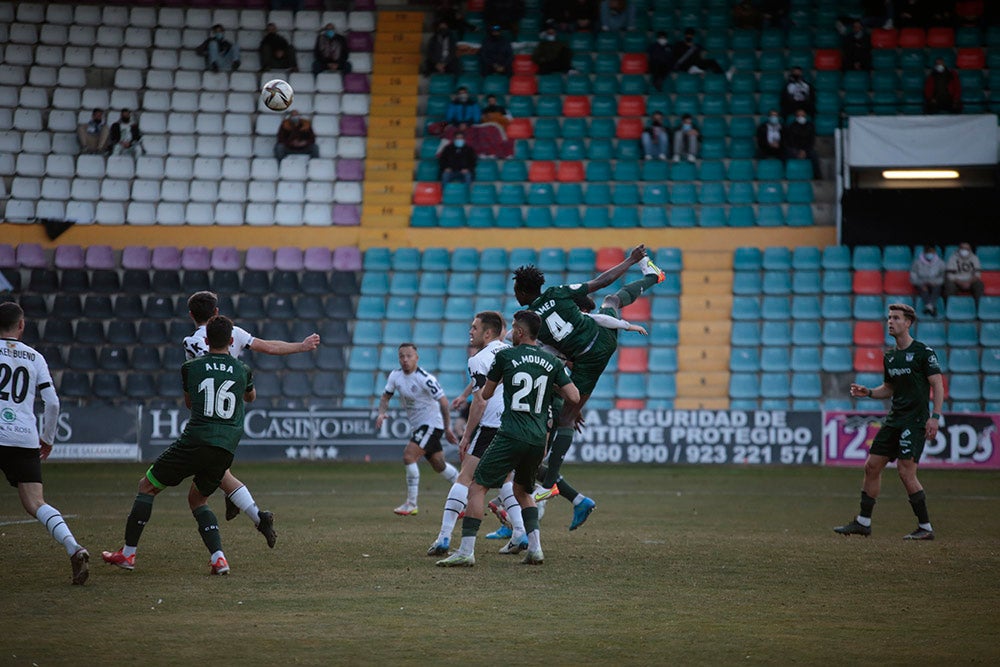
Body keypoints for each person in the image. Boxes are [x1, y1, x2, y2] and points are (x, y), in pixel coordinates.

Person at [103, 316, 254, 574]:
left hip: (195, 440)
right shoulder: (243, 370)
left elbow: (189, 403)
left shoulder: (191, 367)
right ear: (231, 340)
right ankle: (219, 558)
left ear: (206, 341)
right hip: (225, 446)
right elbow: (249, 396)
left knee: (147, 486)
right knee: (198, 499)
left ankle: (128, 555)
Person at [513, 245, 665, 496]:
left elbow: (550, 356)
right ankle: (652, 276)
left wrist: (572, 398)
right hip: (604, 338)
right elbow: (601, 281)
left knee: (566, 418)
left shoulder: (527, 323)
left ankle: (549, 483)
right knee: (611, 300)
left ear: (520, 292)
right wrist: (630, 260)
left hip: (586, 361)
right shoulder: (556, 293)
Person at [436, 310, 580, 567]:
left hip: (511, 432)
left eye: (514, 327)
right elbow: (574, 397)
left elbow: (487, 394)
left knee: (477, 486)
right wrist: (549, 383)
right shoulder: (551, 362)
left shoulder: (506, 356)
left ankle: (466, 550)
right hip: (538, 437)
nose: (511, 331)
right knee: (523, 491)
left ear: (521, 333)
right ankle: (535, 549)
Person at [183, 291, 321, 547]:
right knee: (218, 470)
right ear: (216, 312)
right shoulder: (232, 332)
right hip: (232, 411)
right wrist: (301, 347)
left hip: (205, 415)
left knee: (204, 474)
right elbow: (269, 347)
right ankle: (255, 514)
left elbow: (193, 383)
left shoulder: (192, 342)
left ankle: (249, 519)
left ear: (191, 315)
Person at [836, 303, 943, 541]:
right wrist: (869, 392)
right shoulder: (891, 356)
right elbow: (889, 388)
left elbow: (937, 384)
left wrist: (934, 417)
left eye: (895, 318)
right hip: (895, 419)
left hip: (914, 421)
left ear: (908, 323)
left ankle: (925, 527)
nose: (890, 322)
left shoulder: (924, 352)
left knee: (906, 472)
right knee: (871, 466)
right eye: (889, 318)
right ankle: (863, 522)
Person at [0, 302, 89, 585]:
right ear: (21, 325)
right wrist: (47, 439)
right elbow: (51, 402)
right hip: (24, 438)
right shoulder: (35, 357)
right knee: (36, 502)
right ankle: (73, 546)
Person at [428, 312, 531, 557]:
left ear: (488, 333)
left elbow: (481, 401)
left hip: (492, 426)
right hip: (517, 425)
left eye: (474, 328)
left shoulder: (478, 358)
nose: (470, 331)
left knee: (465, 479)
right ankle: (520, 533)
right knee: (506, 480)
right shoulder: (512, 353)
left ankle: (444, 536)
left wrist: (466, 436)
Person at [375, 343, 460, 516]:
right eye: (401, 356)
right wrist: (381, 413)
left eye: (409, 356)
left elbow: (443, 402)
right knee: (439, 465)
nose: (405, 360)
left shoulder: (425, 378)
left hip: (431, 424)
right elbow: (385, 397)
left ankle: (411, 503)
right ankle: (466, 495)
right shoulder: (395, 376)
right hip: (420, 426)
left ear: (416, 358)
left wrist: (447, 428)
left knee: (409, 455)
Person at [784, 109, 821, 179]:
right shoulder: (792, 126)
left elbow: (811, 141)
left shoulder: (810, 126)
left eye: (802, 115)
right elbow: (791, 141)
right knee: (787, 153)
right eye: (799, 115)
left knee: (814, 155)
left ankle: (817, 176)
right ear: (796, 117)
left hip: (807, 149)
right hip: (795, 149)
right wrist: (798, 151)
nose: (801, 117)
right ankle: (786, 175)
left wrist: (804, 150)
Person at [910, 245, 946, 316]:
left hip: (935, 283)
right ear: (924, 252)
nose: (930, 254)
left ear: (934, 252)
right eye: (928, 252)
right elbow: (913, 277)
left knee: (937, 288)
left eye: (931, 252)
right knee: (923, 289)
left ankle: (928, 306)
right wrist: (921, 283)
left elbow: (943, 277)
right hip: (921, 283)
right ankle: (931, 307)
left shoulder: (940, 263)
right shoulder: (917, 263)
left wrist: (935, 282)